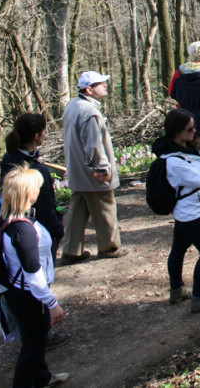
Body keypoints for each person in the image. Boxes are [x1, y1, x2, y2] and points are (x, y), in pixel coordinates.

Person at [0, 165, 68, 387]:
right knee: (32, 347)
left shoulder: (10, 220)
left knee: (35, 342)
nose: (41, 190)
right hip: (28, 297)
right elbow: (33, 273)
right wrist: (51, 303)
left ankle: (43, 378)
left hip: (19, 293)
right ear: (30, 193)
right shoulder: (24, 231)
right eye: (38, 187)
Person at [153, 109, 200, 313]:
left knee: (178, 249)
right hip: (190, 213)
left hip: (186, 210)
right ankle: (199, 298)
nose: (195, 131)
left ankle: (176, 290)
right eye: (189, 129)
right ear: (177, 132)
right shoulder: (174, 161)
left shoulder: (186, 149)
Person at [60, 71, 124, 265]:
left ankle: (71, 250)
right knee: (104, 206)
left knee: (78, 210)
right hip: (92, 173)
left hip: (77, 170)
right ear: (89, 89)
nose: (105, 85)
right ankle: (109, 247)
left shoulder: (73, 105)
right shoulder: (90, 112)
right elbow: (94, 145)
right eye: (100, 83)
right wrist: (102, 169)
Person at [0, 114, 65, 260]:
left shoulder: (9, 158)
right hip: (38, 232)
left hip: (12, 227)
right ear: (36, 136)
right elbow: (45, 206)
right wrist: (58, 230)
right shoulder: (37, 170)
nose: (45, 134)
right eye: (43, 131)